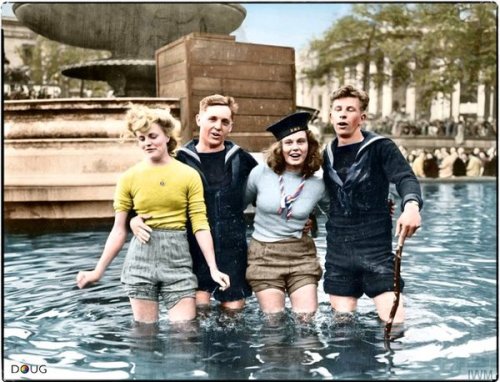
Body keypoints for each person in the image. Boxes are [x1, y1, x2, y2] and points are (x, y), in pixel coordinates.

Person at [76, 104, 229, 323]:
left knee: (185, 334)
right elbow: (118, 230)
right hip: (140, 263)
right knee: (144, 337)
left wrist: (213, 268)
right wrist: (97, 271)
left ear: (167, 135)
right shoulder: (128, 178)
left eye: (152, 136)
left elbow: (200, 224)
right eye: (141, 138)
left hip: (178, 262)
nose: (147, 142)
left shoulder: (188, 175)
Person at [130, 95, 257, 312]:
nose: (217, 126)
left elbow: (269, 192)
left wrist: (303, 219)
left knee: (233, 315)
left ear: (231, 126)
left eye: (224, 122)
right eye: (212, 119)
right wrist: (133, 219)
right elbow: (145, 193)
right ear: (199, 119)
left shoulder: (241, 159)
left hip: (232, 251)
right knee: (198, 316)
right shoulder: (178, 160)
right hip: (190, 252)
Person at [322, 85, 422, 324]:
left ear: (362, 117)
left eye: (350, 109)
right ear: (331, 116)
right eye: (338, 110)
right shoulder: (325, 153)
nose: (343, 114)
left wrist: (411, 206)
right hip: (339, 251)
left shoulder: (380, 147)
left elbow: (405, 178)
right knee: (342, 329)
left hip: (375, 249)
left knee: (394, 325)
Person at [245, 112, 325, 317]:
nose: (295, 148)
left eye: (301, 141)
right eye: (288, 142)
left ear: (310, 146)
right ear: (280, 148)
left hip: (301, 255)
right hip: (264, 255)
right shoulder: (260, 174)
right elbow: (235, 207)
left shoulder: (319, 183)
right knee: (274, 321)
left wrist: (312, 222)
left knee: (306, 320)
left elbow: (338, 215)